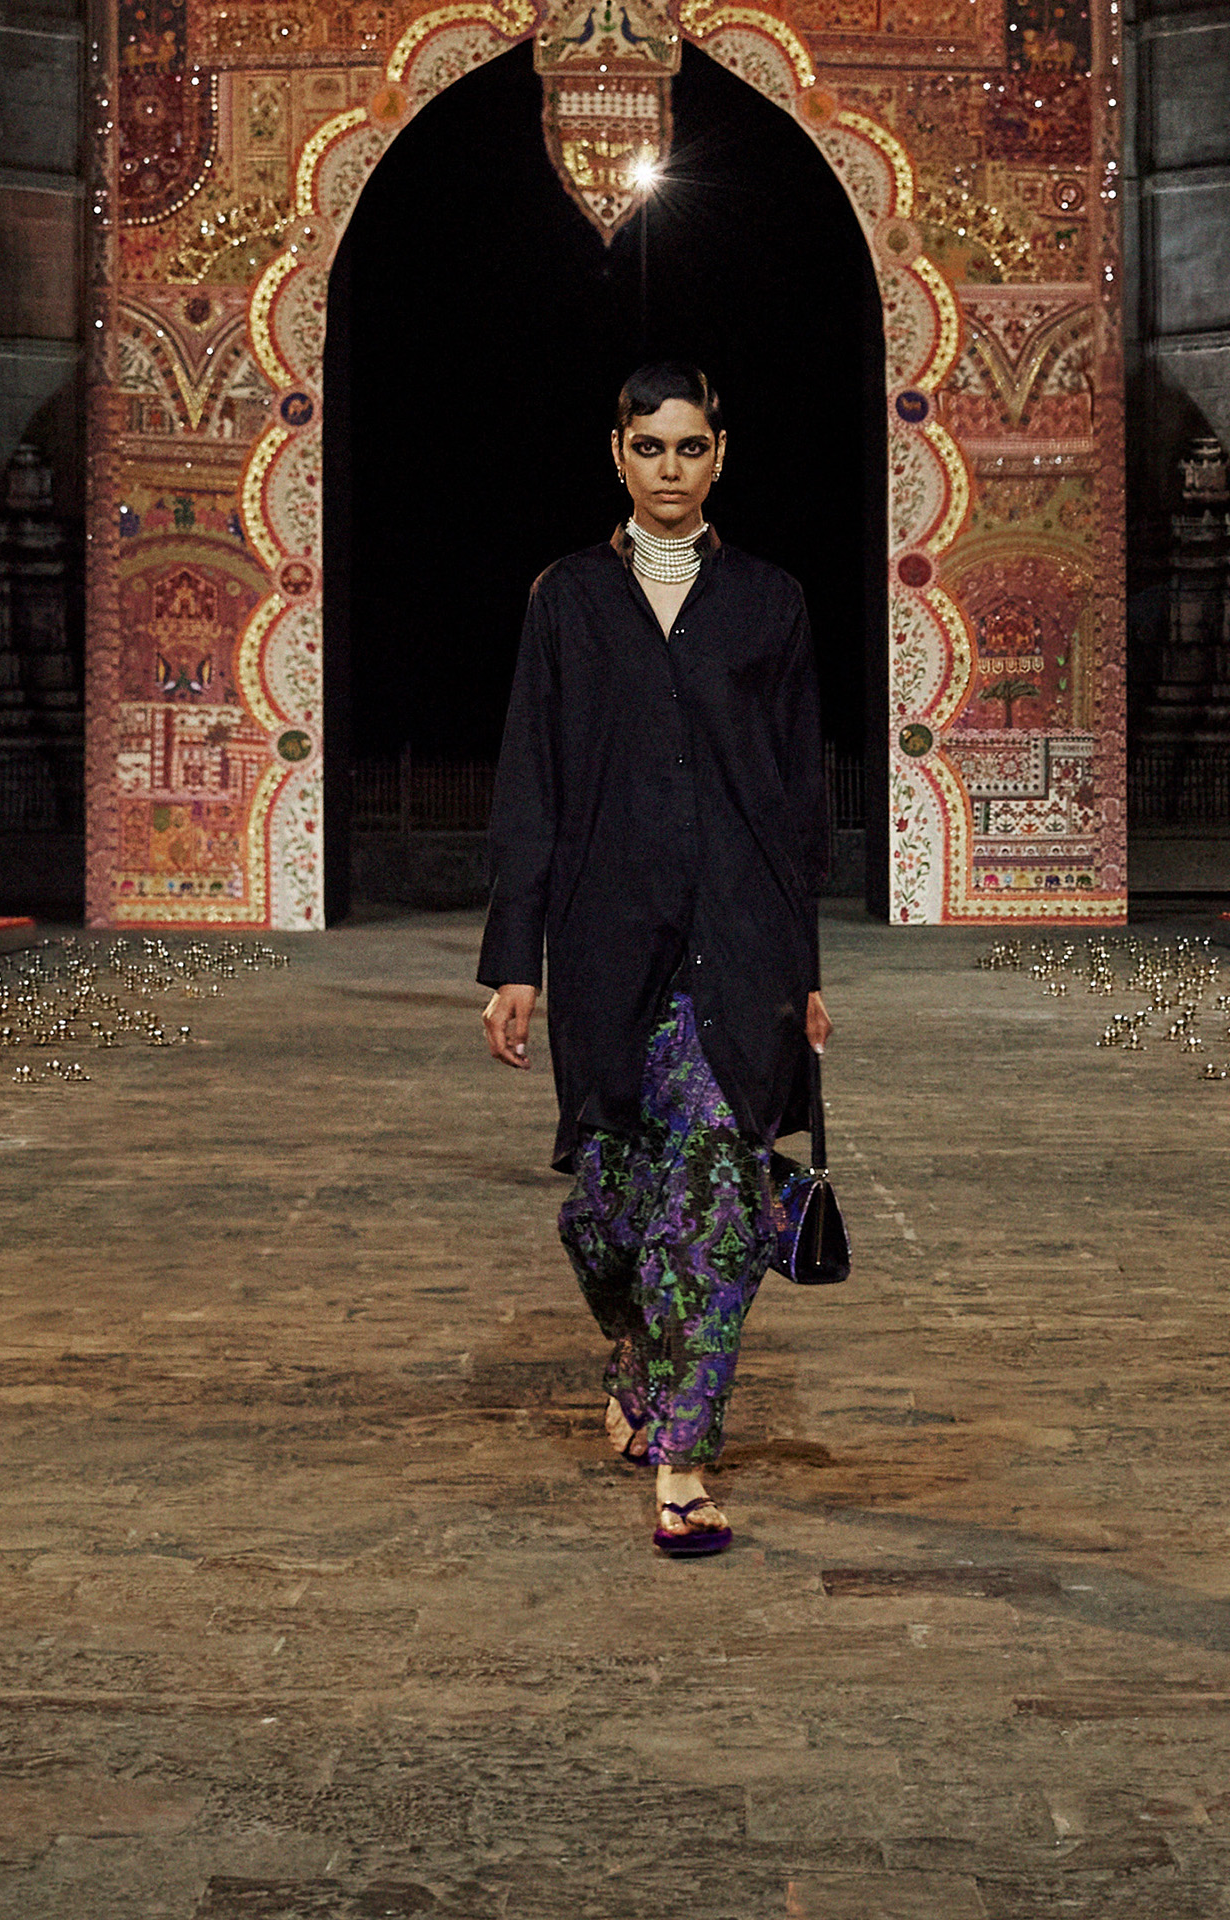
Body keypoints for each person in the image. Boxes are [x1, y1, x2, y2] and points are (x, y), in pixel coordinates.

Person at [478, 362, 832, 1556]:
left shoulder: (770, 603)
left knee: (720, 1199)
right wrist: (514, 961)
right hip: (606, 948)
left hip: (743, 949)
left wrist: (806, 970)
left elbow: (797, 800)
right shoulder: (568, 600)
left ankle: (683, 1456)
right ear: (617, 454)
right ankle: (635, 1348)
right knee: (611, 1212)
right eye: (649, 447)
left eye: (690, 447)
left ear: (720, 455)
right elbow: (530, 785)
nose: (670, 469)